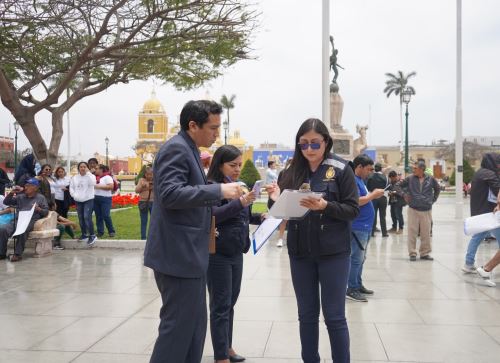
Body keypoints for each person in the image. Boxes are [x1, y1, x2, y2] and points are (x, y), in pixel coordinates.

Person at [144, 100, 242, 363]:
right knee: (177, 329)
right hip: (177, 256)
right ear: (192, 125)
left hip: (191, 255)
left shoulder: (189, 149)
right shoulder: (176, 149)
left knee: (195, 329)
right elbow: (169, 194)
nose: (216, 135)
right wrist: (218, 191)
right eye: (213, 128)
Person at [270, 118, 359, 363]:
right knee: (306, 315)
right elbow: (280, 212)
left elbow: (352, 209)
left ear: (326, 142)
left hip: (333, 253)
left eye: (315, 144)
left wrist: (325, 205)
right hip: (300, 253)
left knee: (334, 316)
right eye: (304, 144)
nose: (309, 149)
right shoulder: (290, 172)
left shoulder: (341, 169)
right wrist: (275, 198)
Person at [206, 145, 260, 363]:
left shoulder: (238, 186)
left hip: (236, 250)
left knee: (230, 302)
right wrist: (239, 203)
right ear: (220, 165)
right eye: (233, 165)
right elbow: (212, 216)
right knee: (220, 305)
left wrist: (259, 217)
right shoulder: (212, 187)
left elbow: (242, 215)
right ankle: (221, 356)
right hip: (218, 253)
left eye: (239, 164)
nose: (238, 169)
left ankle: (227, 347)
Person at [347, 154, 384, 302]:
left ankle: (357, 283)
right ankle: (352, 288)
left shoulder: (361, 181)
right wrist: (372, 196)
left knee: (361, 258)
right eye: (368, 169)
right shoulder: (353, 181)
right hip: (358, 226)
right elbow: (355, 201)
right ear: (359, 167)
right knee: (356, 259)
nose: (370, 173)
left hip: (364, 227)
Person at [462, 153, 500, 273]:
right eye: (497, 162)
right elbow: (497, 189)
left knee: (477, 237)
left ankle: (468, 264)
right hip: (489, 213)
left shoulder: (480, 172)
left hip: (481, 211)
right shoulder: (488, 174)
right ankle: (484, 268)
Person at [400, 160, 440, 261]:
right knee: (412, 232)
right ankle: (412, 253)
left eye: (415, 168)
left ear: (422, 169)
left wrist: (433, 200)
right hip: (413, 209)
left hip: (426, 209)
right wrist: (404, 194)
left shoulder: (431, 179)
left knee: (426, 232)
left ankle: (424, 253)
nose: (413, 170)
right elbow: (397, 186)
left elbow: (437, 189)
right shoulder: (410, 178)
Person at [0, 178, 49, 262]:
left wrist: (38, 209)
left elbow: (45, 212)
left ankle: (17, 254)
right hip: (17, 219)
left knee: (22, 230)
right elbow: (6, 202)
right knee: (3, 229)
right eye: (25, 185)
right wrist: (12, 193)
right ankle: (2, 253)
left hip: (30, 220)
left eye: (28, 186)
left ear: (35, 188)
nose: (26, 187)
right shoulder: (20, 197)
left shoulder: (41, 198)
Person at [70, 161, 97, 246]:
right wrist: (74, 195)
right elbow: (71, 187)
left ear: (87, 168)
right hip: (78, 200)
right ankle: (84, 234)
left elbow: (93, 183)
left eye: (84, 167)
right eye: (81, 167)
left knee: (86, 217)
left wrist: (88, 173)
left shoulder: (91, 176)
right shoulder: (75, 177)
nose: (83, 168)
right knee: (81, 218)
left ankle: (92, 235)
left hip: (88, 199)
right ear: (78, 168)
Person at [94, 164, 116, 238]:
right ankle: (100, 232)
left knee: (106, 215)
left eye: (97, 168)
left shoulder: (107, 177)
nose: (95, 170)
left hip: (105, 198)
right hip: (96, 198)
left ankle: (111, 231)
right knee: (98, 216)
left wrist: (98, 186)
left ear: (101, 169)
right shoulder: (95, 178)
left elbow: (110, 187)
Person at [367, 162, 388, 237]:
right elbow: (386, 186)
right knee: (383, 216)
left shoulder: (370, 176)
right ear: (381, 168)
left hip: (373, 197)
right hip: (382, 197)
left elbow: (368, 187)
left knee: (373, 215)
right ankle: (384, 233)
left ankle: (372, 232)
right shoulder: (384, 176)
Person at [135, 166, 154, 240]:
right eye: (148, 174)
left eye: (151, 174)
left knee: (154, 221)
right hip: (143, 202)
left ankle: (152, 237)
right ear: (145, 174)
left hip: (153, 202)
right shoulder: (141, 180)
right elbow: (136, 190)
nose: (150, 176)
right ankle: (143, 238)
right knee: (144, 221)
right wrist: (143, 186)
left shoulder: (155, 180)